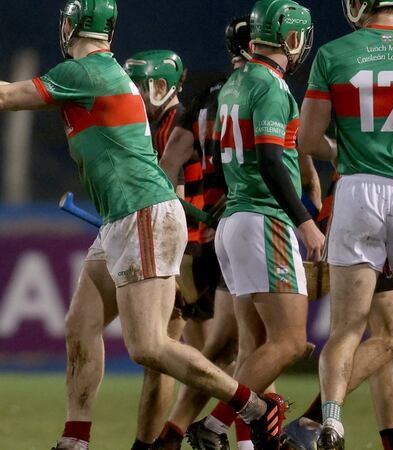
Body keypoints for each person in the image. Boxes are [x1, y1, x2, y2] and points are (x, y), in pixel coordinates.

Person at [0, 1, 290, 449]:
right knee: (81, 324)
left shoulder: (88, 72)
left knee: (149, 346)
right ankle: (75, 440)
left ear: (71, 25)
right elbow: (5, 89)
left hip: (143, 212)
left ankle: (254, 406)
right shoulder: (89, 74)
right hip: (121, 218)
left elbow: (5, 98)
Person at [183, 1, 323, 450]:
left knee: (256, 346)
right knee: (291, 343)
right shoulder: (270, 85)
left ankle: (245, 441)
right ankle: (214, 427)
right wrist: (305, 221)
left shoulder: (232, 84)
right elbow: (268, 159)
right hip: (265, 220)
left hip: (237, 221)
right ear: (293, 38)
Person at [296, 0, 393, 447]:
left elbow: (307, 138)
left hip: (358, 192)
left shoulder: (335, 54)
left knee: (346, 328)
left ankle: (331, 422)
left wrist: (346, 154)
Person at [149, 16, 253, 450]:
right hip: (248, 227)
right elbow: (293, 163)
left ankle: (177, 434)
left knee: (209, 349)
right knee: (249, 345)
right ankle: (217, 433)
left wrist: (162, 224)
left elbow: (169, 162)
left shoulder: (205, 99)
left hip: (201, 239)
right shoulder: (266, 91)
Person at [282, 171, 393, 450]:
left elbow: (311, 143)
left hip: (354, 201)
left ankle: (312, 424)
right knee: (390, 333)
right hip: (381, 201)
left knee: (385, 336)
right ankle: (310, 422)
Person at [124, 49, 199, 450]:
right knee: (164, 354)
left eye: (140, 86)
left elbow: (178, 201)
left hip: (191, 252)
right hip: (183, 248)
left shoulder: (178, 126)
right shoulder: (153, 125)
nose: (133, 94)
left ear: (162, 86)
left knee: (165, 351)